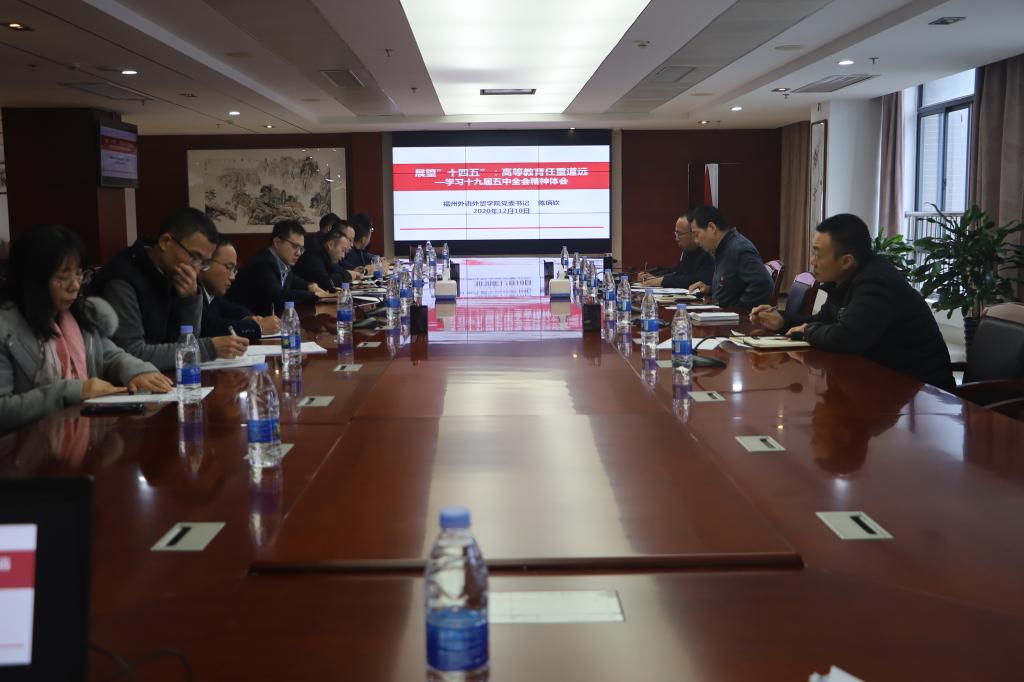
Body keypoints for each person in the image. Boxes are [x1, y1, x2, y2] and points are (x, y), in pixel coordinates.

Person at [750, 213, 954, 390]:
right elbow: (823, 320)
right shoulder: (845, 279)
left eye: (818, 254)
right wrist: (782, 321)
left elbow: (847, 337)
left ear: (846, 261)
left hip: (921, 391)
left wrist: (807, 331)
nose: (812, 261)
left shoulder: (877, 282)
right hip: (880, 382)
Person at [1, 224, 173, 432]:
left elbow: (111, 356)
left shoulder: (78, 317)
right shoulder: (6, 331)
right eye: (62, 277)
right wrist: (71, 392)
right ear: (32, 280)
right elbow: (4, 411)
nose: (75, 286)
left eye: (78, 274)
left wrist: (137, 372)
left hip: (82, 435)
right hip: (26, 446)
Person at [90, 207, 249, 371]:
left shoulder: (173, 273)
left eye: (204, 262)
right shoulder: (123, 279)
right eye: (194, 256)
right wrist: (207, 348)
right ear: (165, 242)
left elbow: (185, 341)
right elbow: (132, 354)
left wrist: (190, 300)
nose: (197, 270)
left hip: (165, 377)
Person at [227, 219, 334, 316]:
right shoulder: (262, 263)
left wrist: (309, 285)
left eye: (301, 249)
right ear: (277, 242)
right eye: (295, 246)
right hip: (243, 321)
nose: (298, 253)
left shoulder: (280, 262)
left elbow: (292, 279)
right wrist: (315, 295)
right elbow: (278, 296)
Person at [688, 205, 773, 309]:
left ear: (712, 227)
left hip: (733, 317)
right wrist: (710, 289)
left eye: (696, 234)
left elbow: (763, 285)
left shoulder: (739, 248)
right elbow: (733, 286)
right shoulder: (722, 248)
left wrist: (737, 309)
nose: (696, 241)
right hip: (720, 313)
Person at [199, 238, 280, 342]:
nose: (232, 277)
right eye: (228, 267)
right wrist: (259, 327)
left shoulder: (211, 294)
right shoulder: (191, 290)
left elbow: (228, 308)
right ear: (205, 263)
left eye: (234, 270)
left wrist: (250, 318)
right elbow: (209, 327)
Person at [638, 212, 714, 288]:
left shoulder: (707, 249)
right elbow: (677, 271)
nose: (676, 238)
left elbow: (698, 280)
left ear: (693, 233)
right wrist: (653, 276)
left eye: (679, 234)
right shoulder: (688, 250)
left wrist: (662, 281)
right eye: (676, 234)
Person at [294, 225, 353, 291]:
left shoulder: (327, 256)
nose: (343, 256)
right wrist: (348, 275)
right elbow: (324, 283)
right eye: (343, 250)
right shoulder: (313, 253)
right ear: (331, 244)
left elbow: (336, 272)